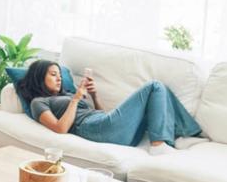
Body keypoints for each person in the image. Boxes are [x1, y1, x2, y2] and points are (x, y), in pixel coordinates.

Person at [16, 60, 201, 155]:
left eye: (59, 75)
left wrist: (94, 96)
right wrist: (76, 98)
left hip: (103, 125)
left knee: (160, 89)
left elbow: (101, 114)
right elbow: (60, 128)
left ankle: (182, 136)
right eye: (53, 75)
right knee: (154, 86)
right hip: (91, 128)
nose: (59, 78)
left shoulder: (66, 94)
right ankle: (160, 144)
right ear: (39, 77)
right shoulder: (38, 102)